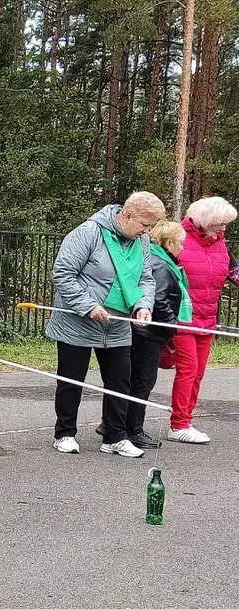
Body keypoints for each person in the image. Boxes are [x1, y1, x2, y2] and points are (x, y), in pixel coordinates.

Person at [45, 191, 163, 458]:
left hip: (118, 323)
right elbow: (63, 273)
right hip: (77, 321)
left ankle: (115, 437)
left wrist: (143, 305)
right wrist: (87, 305)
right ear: (128, 215)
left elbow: (146, 279)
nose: (147, 232)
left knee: (120, 380)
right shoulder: (88, 232)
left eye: (151, 227)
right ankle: (64, 433)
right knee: (70, 380)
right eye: (144, 225)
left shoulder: (141, 241)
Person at [166, 196, 239, 444]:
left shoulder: (221, 244)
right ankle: (178, 425)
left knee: (197, 373)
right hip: (183, 318)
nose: (223, 228)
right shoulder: (178, 239)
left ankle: (186, 419)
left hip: (208, 319)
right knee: (187, 370)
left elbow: (233, 271)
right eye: (220, 223)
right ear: (206, 220)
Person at [115, 220, 190, 449]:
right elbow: (158, 300)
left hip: (144, 332)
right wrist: (172, 326)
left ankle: (115, 424)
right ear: (169, 243)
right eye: (181, 244)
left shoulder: (158, 261)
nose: (183, 249)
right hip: (147, 333)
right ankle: (133, 429)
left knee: (132, 379)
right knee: (142, 381)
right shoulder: (160, 265)